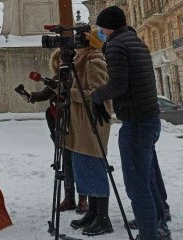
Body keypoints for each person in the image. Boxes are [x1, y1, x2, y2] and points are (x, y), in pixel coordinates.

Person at [93, 6, 171, 240]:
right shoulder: (136, 41)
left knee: (137, 186)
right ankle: (158, 226)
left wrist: (96, 96)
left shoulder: (117, 45)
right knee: (147, 179)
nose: (100, 33)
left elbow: (118, 85)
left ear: (108, 27)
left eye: (100, 29)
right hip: (150, 119)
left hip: (136, 123)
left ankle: (149, 235)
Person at [15, 48, 88, 214]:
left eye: (62, 59)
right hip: (58, 122)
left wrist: (62, 88)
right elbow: (44, 94)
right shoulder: (56, 78)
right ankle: (69, 198)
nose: (60, 62)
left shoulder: (77, 77)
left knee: (78, 161)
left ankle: (83, 199)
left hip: (75, 122)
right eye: (57, 60)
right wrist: (28, 95)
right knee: (66, 161)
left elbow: (76, 94)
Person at [65, 28, 113, 236]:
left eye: (79, 39)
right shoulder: (81, 60)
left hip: (92, 125)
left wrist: (71, 93)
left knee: (94, 170)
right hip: (81, 124)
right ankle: (93, 213)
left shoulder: (94, 60)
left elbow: (99, 94)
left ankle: (103, 218)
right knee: (85, 171)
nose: (76, 43)